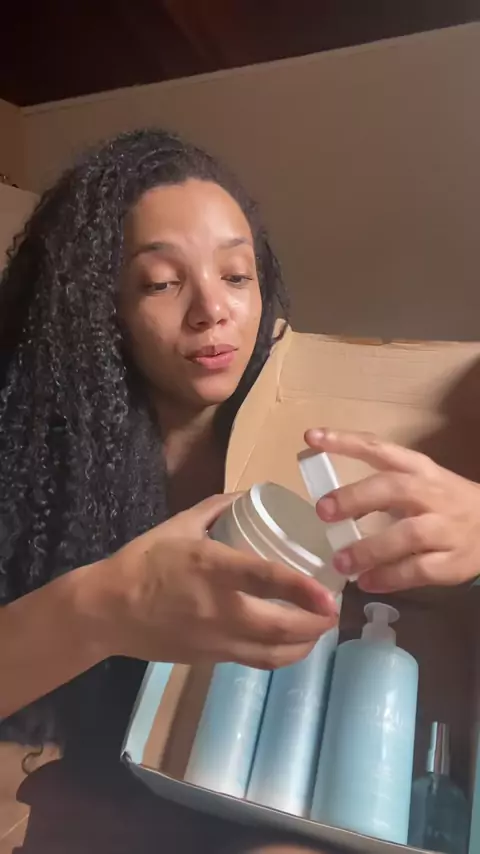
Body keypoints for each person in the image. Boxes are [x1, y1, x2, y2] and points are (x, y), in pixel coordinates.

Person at [1, 128, 479, 854]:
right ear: (99, 307)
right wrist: (105, 606)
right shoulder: (31, 469)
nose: (212, 309)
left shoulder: (305, 423)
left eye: (235, 274)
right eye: (162, 282)